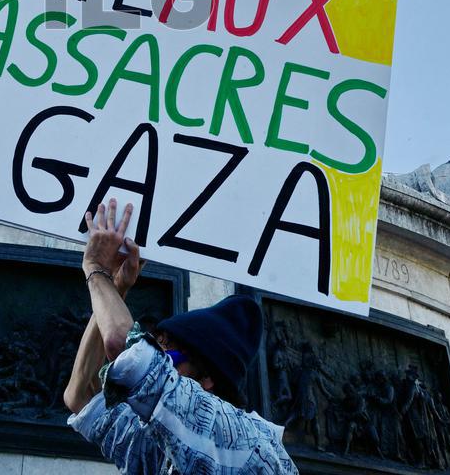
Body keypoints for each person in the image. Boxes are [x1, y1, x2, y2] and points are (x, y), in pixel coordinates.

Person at [65, 198, 298, 474]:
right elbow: (80, 396)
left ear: (208, 379)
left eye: (165, 354)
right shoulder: (156, 439)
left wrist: (95, 269)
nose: (156, 358)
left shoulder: (243, 440)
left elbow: (123, 348)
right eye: (155, 344)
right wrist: (115, 286)